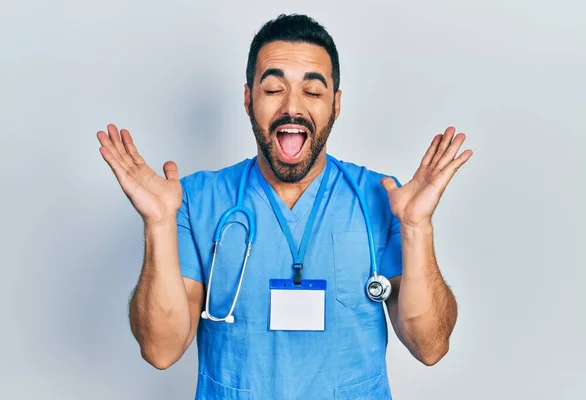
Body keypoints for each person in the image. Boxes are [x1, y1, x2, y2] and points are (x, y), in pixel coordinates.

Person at [97, 13, 472, 400]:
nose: (292, 107)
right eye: (274, 89)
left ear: (336, 104)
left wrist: (417, 228)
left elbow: (430, 346)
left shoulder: (381, 199)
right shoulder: (197, 200)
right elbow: (160, 350)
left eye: (312, 92)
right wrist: (158, 223)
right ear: (248, 99)